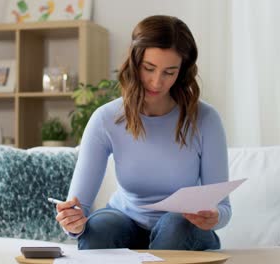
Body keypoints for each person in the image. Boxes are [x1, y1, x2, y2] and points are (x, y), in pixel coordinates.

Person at [55, 15, 230, 250]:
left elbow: (224, 209)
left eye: (169, 72)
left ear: (182, 71)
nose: (156, 82)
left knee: (175, 226)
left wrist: (214, 216)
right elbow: (77, 208)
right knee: (100, 228)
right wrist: (72, 223)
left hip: (183, 229)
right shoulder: (106, 119)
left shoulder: (206, 119)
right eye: (149, 68)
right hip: (124, 222)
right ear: (134, 61)